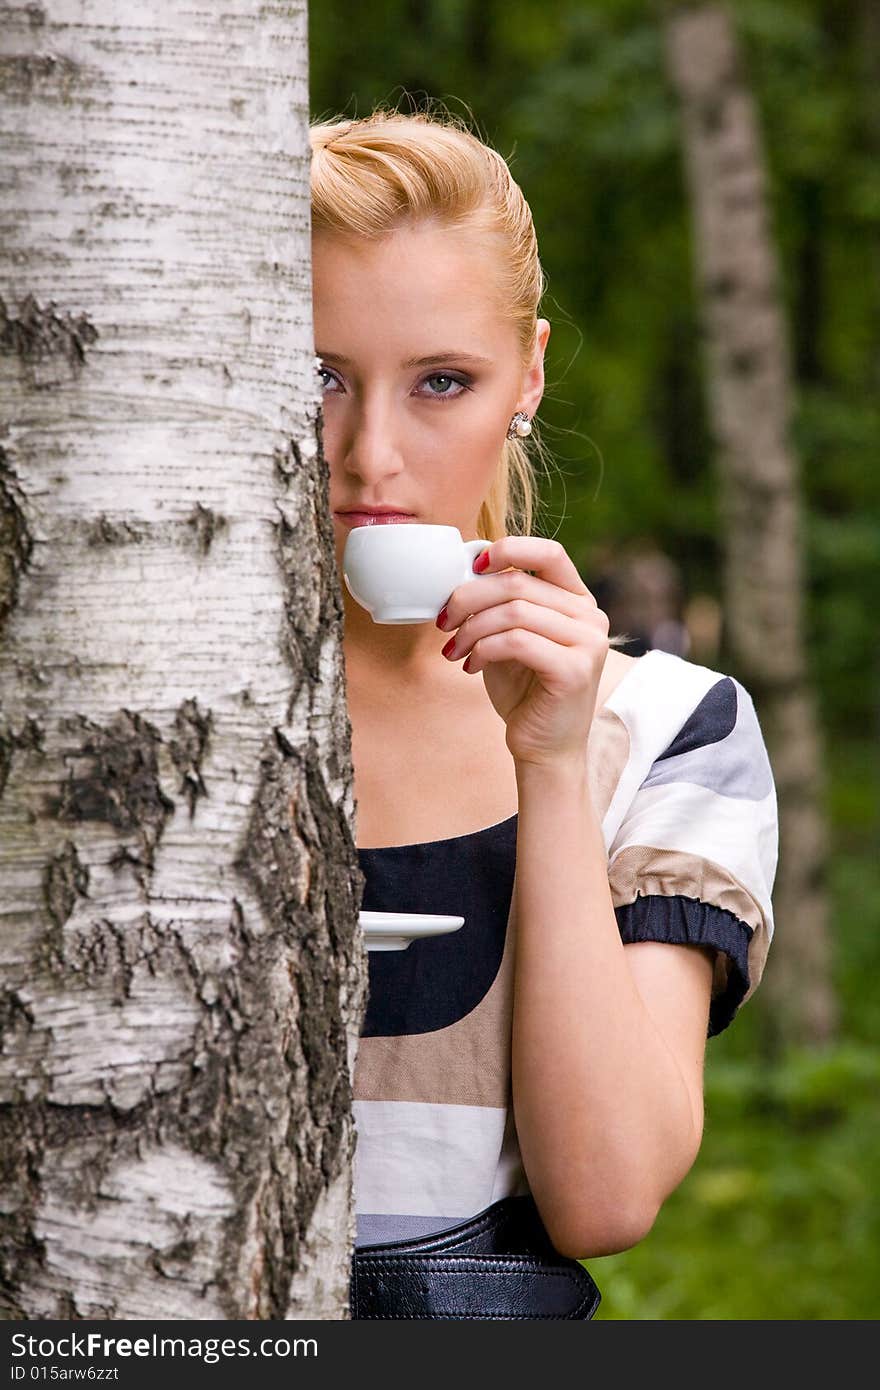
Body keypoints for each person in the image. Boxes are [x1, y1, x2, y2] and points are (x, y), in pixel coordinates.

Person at [309, 105, 778, 1320]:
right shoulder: (115, 712)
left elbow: (605, 1196)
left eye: (441, 382)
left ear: (527, 374)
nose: (370, 456)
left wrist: (554, 763)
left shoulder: (672, 724)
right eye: (317, 378)